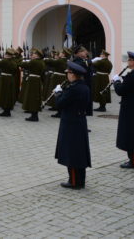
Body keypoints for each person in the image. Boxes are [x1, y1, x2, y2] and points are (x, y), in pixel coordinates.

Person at [54, 61, 91, 189]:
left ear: (74, 74)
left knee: (73, 153)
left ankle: (74, 181)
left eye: (69, 73)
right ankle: (80, 180)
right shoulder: (84, 87)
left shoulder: (73, 89)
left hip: (71, 123)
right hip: (79, 121)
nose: (67, 75)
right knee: (79, 152)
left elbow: (60, 104)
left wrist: (58, 93)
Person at [19, 48, 45, 122]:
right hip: (37, 81)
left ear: (37, 55)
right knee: (35, 98)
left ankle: (34, 116)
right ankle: (34, 114)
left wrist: (20, 60)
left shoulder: (35, 62)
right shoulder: (41, 62)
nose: (32, 55)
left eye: (34, 54)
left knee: (33, 98)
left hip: (33, 81)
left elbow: (24, 65)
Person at [0, 48, 18, 117]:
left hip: (4, 79)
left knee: (4, 94)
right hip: (11, 78)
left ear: (7, 55)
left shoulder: (4, 61)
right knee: (9, 95)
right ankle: (7, 110)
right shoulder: (14, 62)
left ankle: (6, 111)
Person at [72, 45, 93, 116]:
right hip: (82, 82)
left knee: (88, 97)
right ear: (79, 53)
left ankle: (88, 111)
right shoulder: (77, 61)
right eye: (84, 52)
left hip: (87, 81)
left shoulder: (85, 60)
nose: (86, 53)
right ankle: (84, 110)